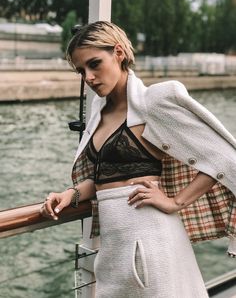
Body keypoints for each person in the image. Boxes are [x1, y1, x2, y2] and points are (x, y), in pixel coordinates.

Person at [40, 21, 236, 298]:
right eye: (81, 70)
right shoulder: (99, 111)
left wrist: (176, 201)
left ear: (118, 52)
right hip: (114, 248)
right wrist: (69, 195)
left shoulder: (153, 102)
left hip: (150, 241)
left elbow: (225, 156)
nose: (89, 77)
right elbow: (105, 178)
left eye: (95, 64)